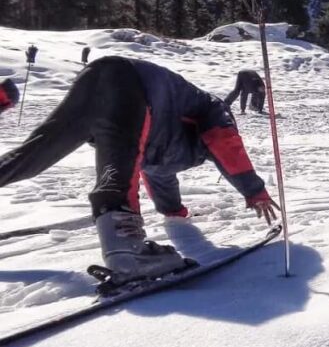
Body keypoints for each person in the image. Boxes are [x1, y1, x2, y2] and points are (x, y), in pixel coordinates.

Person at [0, 57, 278, 284]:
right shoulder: (214, 109)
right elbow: (225, 142)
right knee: (116, 178)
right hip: (130, 85)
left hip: (96, 78)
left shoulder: (166, 143)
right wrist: (255, 192)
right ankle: (129, 253)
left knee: (31, 156)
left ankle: (127, 245)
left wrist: (174, 213)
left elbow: (157, 172)